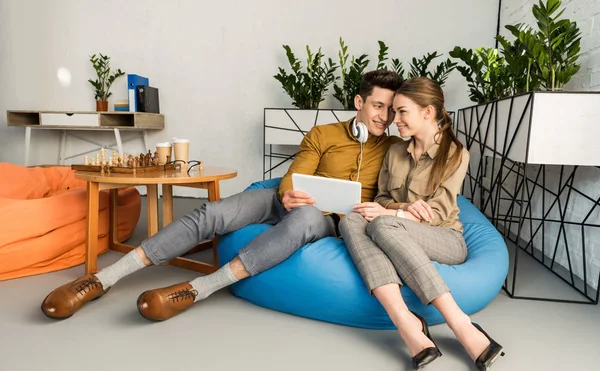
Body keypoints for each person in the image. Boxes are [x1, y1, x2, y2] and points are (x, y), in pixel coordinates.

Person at [41, 69, 404, 322]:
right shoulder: (323, 133)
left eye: (390, 109)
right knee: (211, 214)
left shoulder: (391, 149)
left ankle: (198, 289)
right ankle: (104, 280)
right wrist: (290, 193)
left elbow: (391, 193)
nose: (384, 116)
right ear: (359, 101)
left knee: (309, 218)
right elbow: (295, 171)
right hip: (285, 199)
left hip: (326, 219)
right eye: (378, 106)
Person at [339, 77, 504, 371]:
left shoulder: (455, 153)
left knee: (380, 225)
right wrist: (402, 208)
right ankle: (407, 323)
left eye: (402, 112)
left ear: (427, 112)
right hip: (400, 232)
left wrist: (391, 215)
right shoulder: (395, 152)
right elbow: (383, 198)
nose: (394, 119)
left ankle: (461, 323)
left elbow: (437, 212)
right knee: (353, 219)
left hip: (444, 238)